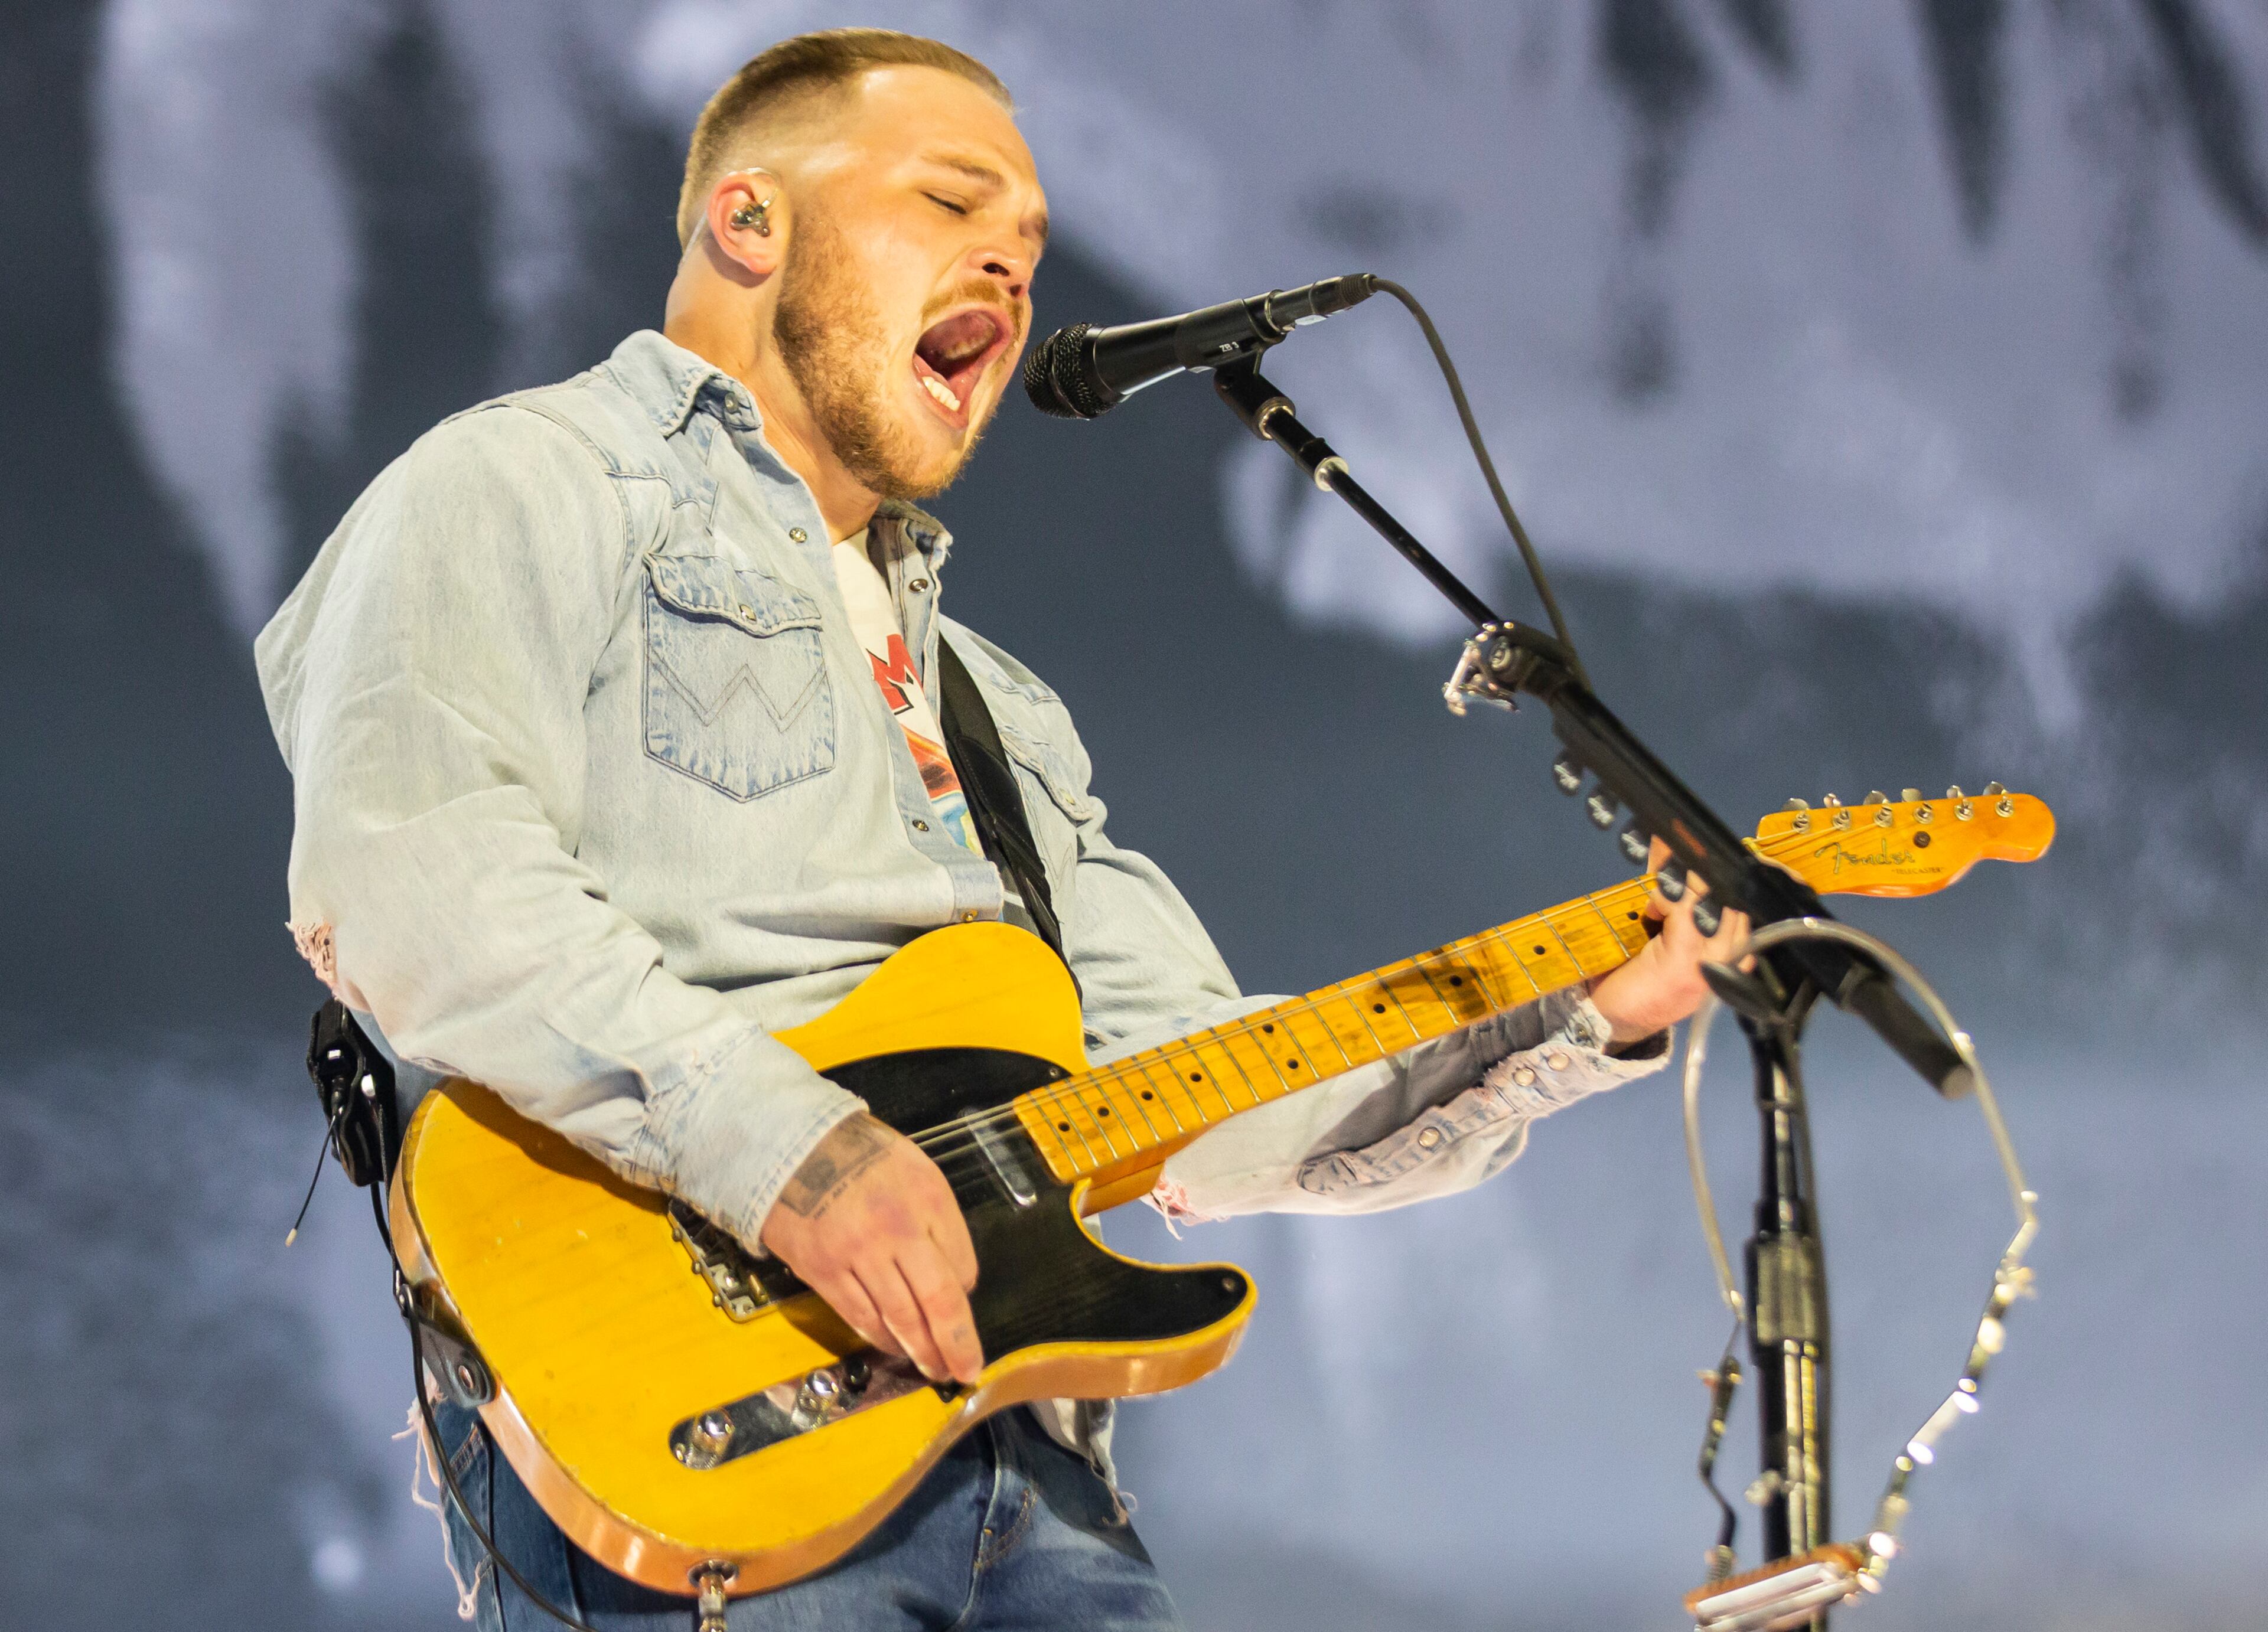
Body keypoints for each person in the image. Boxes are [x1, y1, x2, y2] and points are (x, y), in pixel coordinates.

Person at [256, 27, 1749, 1632]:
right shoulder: (526, 483)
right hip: (716, 1457)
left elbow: (1205, 1093)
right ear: (749, 225)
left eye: (1031, 242)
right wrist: (797, 1157)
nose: (1011, 265)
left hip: (1032, 1471)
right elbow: (407, 877)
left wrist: (1587, 1013)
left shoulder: (996, 709)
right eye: (952, 201)